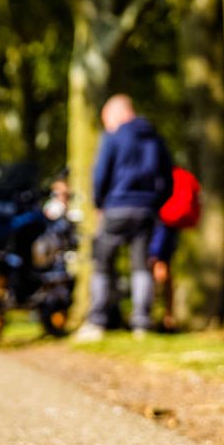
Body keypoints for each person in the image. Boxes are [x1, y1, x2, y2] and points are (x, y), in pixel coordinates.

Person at [74, 94, 173, 342]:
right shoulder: (155, 139)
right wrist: (155, 203)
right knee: (141, 266)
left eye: (107, 120)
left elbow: (101, 174)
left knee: (103, 263)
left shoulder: (113, 137)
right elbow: (168, 178)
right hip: (146, 210)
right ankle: (142, 323)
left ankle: (97, 321)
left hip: (116, 206)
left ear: (116, 115)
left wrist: (99, 203)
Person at [149, 167, 202, 332]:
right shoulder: (180, 175)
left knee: (157, 267)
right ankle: (167, 316)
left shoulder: (159, 174)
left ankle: (156, 315)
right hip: (172, 224)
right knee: (165, 269)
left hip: (160, 222)